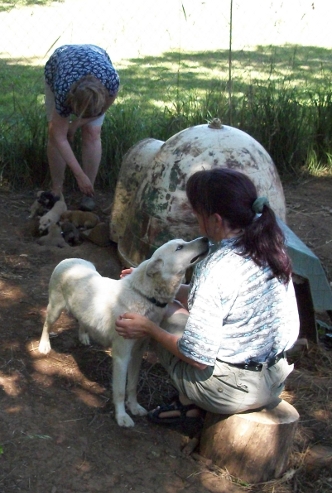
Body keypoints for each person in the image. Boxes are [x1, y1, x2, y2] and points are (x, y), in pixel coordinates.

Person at [115, 168, 300, 425]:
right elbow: (223, 300)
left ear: (215, 220)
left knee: (166, 314)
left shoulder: (216, 266)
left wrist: (149, 327)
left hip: (230, 392)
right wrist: (153, 284)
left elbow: (196, 357)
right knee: (176, 307)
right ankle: (190, 401)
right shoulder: (269, 243)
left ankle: (187, 403)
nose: (195, 218)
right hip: (274, 379)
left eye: (196, 213)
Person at [44, 44, 120, 211]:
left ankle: (88, 192)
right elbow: (58, 135)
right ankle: (56, 190)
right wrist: (79, 175)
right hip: (61, 64)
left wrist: (77, 123)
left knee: (93, 132)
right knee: (56, 136)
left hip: (97, 58)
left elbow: (100, 112)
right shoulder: (63, 88)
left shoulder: (111, 82)